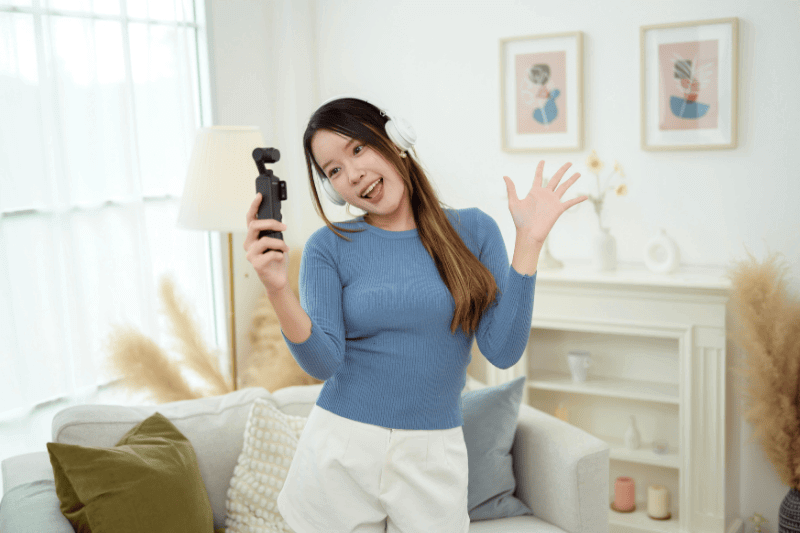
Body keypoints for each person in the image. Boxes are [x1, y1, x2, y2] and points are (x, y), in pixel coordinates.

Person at [243, 96, 587, 533]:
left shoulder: (474, 231)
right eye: (333, 170)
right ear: (330, 188)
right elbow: (323, 361)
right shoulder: (327, 248)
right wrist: (276, 289)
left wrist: (529, 245)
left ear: (393, 139)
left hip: (433, 452)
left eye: (357, 149)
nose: (352, 174)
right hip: (340, 448)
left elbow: (502, 350)